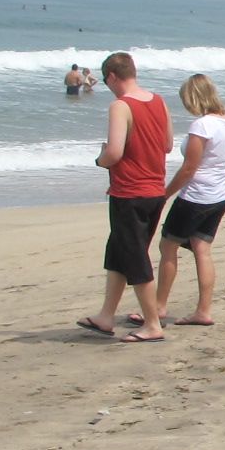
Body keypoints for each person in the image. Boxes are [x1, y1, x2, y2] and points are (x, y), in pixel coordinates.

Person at [77, 52, 170, 342]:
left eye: (107, 82)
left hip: (130, 191)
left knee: (134, 256)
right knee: (118, 252)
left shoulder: (120, 105)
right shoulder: (158, 100)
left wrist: (100, 159)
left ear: (113, 77)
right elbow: (166, 145)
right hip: (155, 189)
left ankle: (152, 323)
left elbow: (114, 152)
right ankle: (106, 315)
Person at [154, 74, 225, 326]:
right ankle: (203, 310)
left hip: (196, 197)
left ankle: (159, 306)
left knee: (168, 246)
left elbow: (189, 168)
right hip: (220, 194)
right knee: (202, 250)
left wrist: (165, 194)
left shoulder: (202, 126)